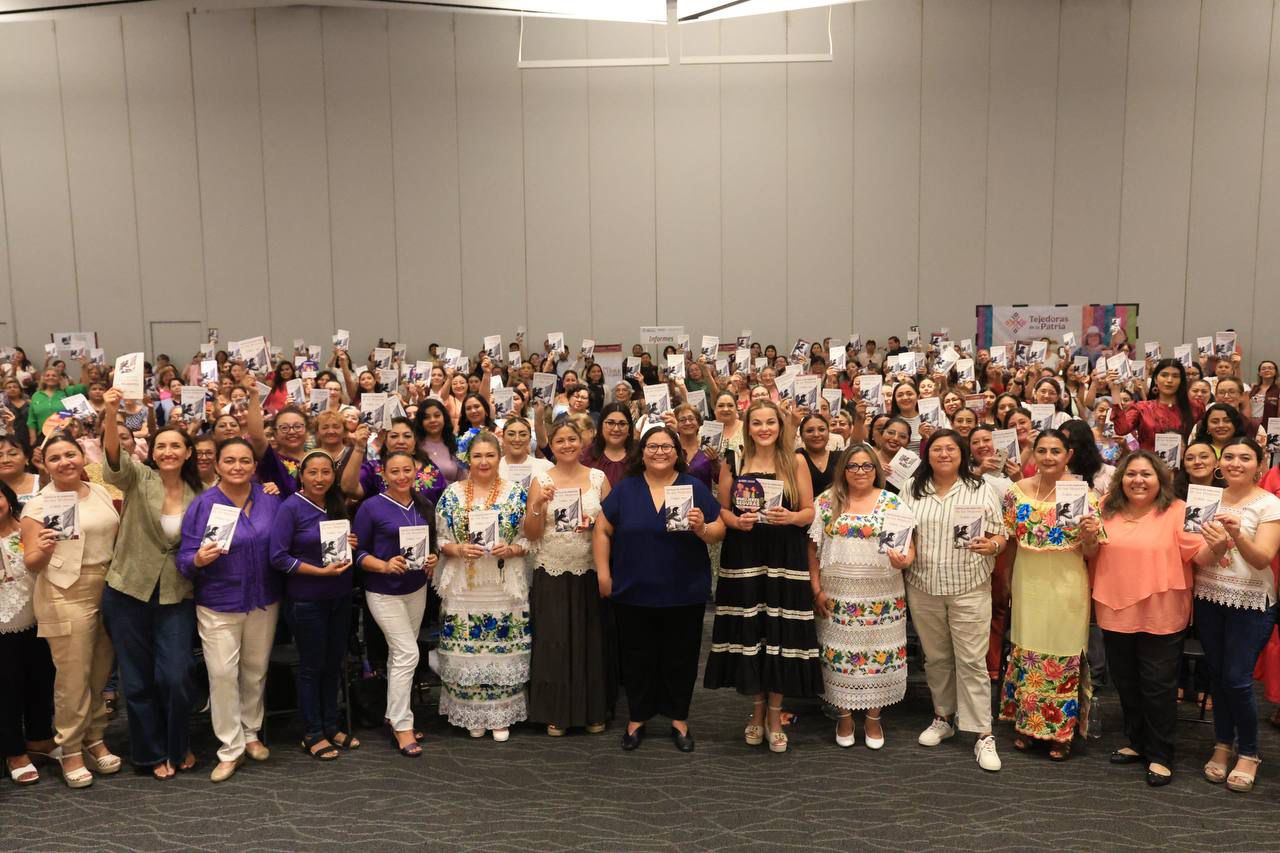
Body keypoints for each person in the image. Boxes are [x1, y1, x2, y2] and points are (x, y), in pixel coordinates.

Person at [1093, 451, 1222, 786]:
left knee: (1158, 685)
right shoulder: (1104, 507)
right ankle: (1136, 742)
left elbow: (1200, 556)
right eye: (1131, 474)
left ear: (1160, 479)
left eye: (1146, 474)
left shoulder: (1178, 511)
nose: (1138, 480)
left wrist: (1219, 545)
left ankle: (1161, 754)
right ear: (1121, 478)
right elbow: (1090, 550)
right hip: (1114, 606)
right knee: (1125, 681)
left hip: (1161, 610)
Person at [594, 425, 723, 752]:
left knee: (682, 656)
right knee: (637, 656)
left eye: (667, 446)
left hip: (684, 590)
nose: (660, 452)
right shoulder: (626, 488)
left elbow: (719, 529)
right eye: (652, 446)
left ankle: (679, 718)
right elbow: (602, 529)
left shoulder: (693, 486)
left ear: (677, 452)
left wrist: (702, 528)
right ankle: (637, 717)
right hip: (634, 590)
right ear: (642, 453)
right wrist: (604, 573)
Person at [705, 400, 820, 754]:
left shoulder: (795, 460)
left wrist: (792, 518)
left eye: (771, 422)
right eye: (757, 423)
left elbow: (810, 511)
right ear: (748, 427)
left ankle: (774, 715)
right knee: (752, 631)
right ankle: (756, 710)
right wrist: (736, 521)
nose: (765, 428)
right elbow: (722, 510)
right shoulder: (734, 460)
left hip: (785, 556)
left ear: (780, 426)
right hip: (745, 555)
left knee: (780, 632)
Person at [99, 388, 202, 780]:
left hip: (177, 593)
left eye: (176, 446)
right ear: (152, 451)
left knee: (175, 675)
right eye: (162, 446)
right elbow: (114, 460)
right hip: (127, 590)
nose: (168, 451)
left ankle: (178, 744)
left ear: (188, 453)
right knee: (137, 678)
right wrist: (112, 414)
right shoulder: (139, 478)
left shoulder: (201, 494)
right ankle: (149, 753)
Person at [897, 430, 1006, 771]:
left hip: (969, 585)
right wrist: (901, 553)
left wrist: (993, 546)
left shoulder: (980, 488)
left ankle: (982, 733)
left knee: (972, 660)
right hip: (924, 586)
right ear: (927, 455)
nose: (944, 454)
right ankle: (943, 717)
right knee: (937, 658)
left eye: (950, 449)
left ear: (962, 454)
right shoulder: (911, 489)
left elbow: (1000, 534)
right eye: (937, 449)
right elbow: (902, 532)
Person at [20, 434, 122, 788]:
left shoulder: (99, 491)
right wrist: (45, 549)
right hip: (65, 592)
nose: (64, 462)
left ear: (82, 456)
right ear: (44, 465)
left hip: (107, 587)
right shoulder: (38, 506)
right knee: (73, 678)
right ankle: (71, 748)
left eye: (70, 454)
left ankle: (94, 737)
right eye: (55, 458)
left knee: (100, 672)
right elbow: (31, 563)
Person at [177, 437, 281, 783]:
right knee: (222, 674)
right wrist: (198, 559)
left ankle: (250, 732)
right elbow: (183, 559)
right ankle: (230, 746)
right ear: (217, 465)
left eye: (245, 461)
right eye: (230, 461)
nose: (238, 467)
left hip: (263, 599)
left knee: (255, 670)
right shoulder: (203, 505)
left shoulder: (270, 500)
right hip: (219, 602)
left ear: (254, 466)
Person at [999, 430, 1103, 761]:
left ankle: (1061, 730)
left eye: (1055, 451)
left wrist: (1089, 535)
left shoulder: (1085, 495)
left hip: (1067, 583)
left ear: (1068, 455)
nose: (1048, 457)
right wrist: (1006, 579)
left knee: (1063, 649)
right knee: (1027, 646)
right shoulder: (1016, 492)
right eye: (1041, 450)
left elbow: (1092, 551)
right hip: (1027, 582)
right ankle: (1026, 724)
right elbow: (1010, 541)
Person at [1191, 437, 1280, 793]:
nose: (1235, 463)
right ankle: (1222, 744)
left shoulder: (1269, 503)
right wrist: (1214, 546)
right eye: (1228, 456)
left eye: (1245, 457)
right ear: (1219, 464)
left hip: (1251, 601)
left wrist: (1236, 534)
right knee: (1217, 675)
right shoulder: (1205, 498)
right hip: (1209, 596)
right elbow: (1196, 556)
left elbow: (1262, 558)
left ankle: (1250, 752)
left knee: (1237, 678)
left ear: (1259, 465)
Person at [807, 444, 911, 748]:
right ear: (843, 470)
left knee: (878, 656)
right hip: (837, 595)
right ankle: (844, 716)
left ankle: (874, 718)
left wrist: (903, 561)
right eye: (853, 466)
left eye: (867, 466)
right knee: (839, 658)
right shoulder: (826, 501)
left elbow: (908, 549)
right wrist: (816, 589)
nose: (860, 471)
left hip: (883, 597)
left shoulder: (893, 503)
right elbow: (813, 549)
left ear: (876, 470)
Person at [434, 431, 530, 741]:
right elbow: (440, 539)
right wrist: (459, 549)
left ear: (499, 457)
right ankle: (472, 712)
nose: (484, 461)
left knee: (502, 648)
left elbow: (530, 538)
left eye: (490, 455)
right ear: (468, 459)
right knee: (469, 650)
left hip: (503, 584)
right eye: (477, 456)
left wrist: (511, 549)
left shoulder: (516, 493)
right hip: (465, 586)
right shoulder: (451, 494)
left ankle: (500, 714)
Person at [269, 452, 359, 762]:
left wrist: (350, 543)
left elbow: (339, 548)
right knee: (311, 666)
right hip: (306, 599)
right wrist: (318, 571)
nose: (320, 478)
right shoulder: (290, 507)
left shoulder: (336, 505)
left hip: (339, 595)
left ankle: (331, 725)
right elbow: (278, 557)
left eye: (326, 472)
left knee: (334, 664)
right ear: (302, 475)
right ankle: (312, 732)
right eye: (313, 473)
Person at [523, 420, 611, 736]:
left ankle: (592, 711)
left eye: (572, 439)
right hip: (552, 569)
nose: (567, 445)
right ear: (552, 444)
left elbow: (613, 525)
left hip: (589, 569)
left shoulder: (598, 478)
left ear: (582, 441)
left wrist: (594, 524)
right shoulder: (541, 480)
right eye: (560, 440)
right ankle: (555, 712)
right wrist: (538, 504)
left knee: (590, 642)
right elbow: (531, 533)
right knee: (554, 641)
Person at [353, 451, 438, 758]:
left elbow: (432, 545)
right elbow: (357, 553)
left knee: (399, 655)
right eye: (395, 471)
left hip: (415, 588)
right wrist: (384, 565)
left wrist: (433, 558)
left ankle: (393, 714)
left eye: (407, 470)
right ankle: (403, 725)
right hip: (383, 591)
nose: (402, 476)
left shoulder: (424, 504)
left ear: (415, 471)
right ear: (384, 474)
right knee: (407, 653)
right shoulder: (370, 507)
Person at [0, 480, 56, 786]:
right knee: (7, 690)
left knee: (41, 680)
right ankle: (14, 752)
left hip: (36, 617)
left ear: (7, 497)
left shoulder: (28, 527)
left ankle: (40, 738)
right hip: (1, 626)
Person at [1108, 359, 1201, 451]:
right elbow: (1121, 429)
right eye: (1164, 375)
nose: (1169, 380)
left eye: (1175, 376)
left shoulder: (1194, 407)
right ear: (1156, 379)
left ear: (1181, 381)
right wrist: (1115, 390)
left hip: (1183, 459)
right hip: (1148, 459)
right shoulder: (1142, 408)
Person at [585, 403, 634, 488]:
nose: (616, 429)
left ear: (629, 428)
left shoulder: (640, 456)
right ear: (601, 426)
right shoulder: (586, 456)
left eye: (622, 424)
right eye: (610, 423)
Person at [797, 413, 836, 497]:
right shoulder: (796, 458)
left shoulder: (841, 458)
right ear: (801, 436)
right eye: (810, 431)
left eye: (821, 430)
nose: (816, 434)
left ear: (828, 433)